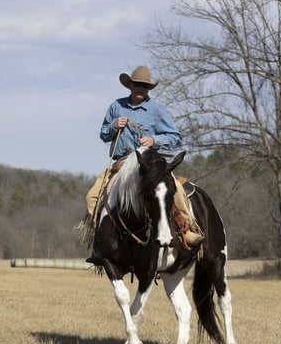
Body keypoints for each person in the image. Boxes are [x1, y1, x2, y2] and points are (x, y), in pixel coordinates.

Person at [85, 65, 205, 250]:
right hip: (121, 163)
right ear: (130, 85)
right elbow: (103, 134)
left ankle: (186, 230)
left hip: (149, 165)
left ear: (148, 88)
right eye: (137, 85)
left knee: (176, 192)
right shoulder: (116, 106)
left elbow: (175, 137)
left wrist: (153, 140)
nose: (140, 88)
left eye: (144, 86)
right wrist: (113, 126)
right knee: (92, 197)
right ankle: (100, 239)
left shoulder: (157, 110)